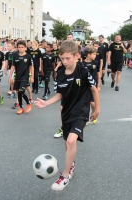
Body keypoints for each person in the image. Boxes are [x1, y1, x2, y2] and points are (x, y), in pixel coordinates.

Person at [34, 40, 100, 191]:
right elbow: (59, 94)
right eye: (62, 58)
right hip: (66, 113)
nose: (64, 61)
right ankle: (71, 165)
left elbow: (94, 90)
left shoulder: (83, 71)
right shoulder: (60, 74)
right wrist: (46, 103)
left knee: (71, 141)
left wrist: (97, 109)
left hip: (81, 112)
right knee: (66, 144)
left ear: (77, 56)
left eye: (67, 58)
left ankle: (64, 175)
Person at [8, 40, 34, 114]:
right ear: (17, 48)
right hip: (17, 76)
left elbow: (31, 67)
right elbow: (13, 66)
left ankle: (29, 103)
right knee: (19, 92)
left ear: (25, 48)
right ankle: (21, 108)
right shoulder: (15, 56)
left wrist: (32, 77)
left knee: (21, 90)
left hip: (25, 77)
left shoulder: (28, 57)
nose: (21, 49)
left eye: (22, 47)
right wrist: (10, 76)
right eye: (19, 47)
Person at [83, 45, 100, 124]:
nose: (95, 56)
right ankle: (85, 118)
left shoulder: (96, 63)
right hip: (85, 86)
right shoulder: (82, 63)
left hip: (93, 86)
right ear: (88, 54)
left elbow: (98, 74)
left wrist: (98, 85)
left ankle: (94, 114)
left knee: (93, 103)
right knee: (85, 103)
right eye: (93, 54)